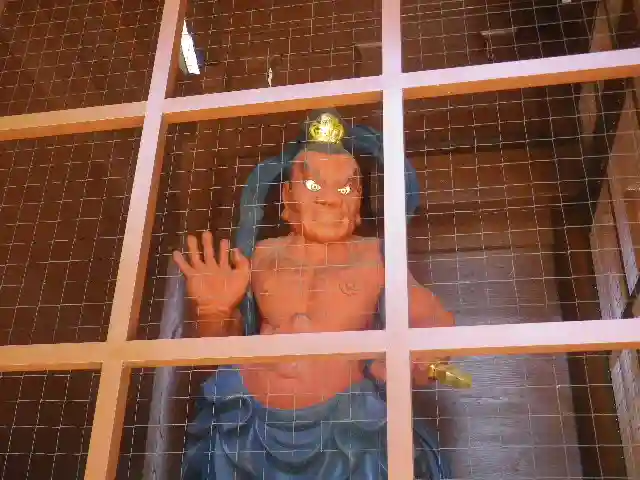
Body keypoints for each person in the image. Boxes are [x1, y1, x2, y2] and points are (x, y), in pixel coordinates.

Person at [175, 111, 465, 479]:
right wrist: (214, 311)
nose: (330, 199)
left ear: (360, 200)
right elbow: (215, 357)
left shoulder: (376, 257)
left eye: (346, 188)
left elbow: (433, 327)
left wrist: (417, 361)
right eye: (314, 185)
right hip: (246, 427)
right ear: (287, 195)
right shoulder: (259, 255)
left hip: (347, 433)